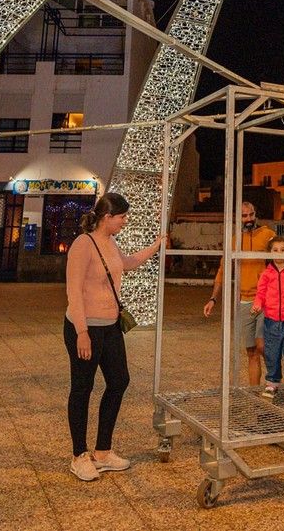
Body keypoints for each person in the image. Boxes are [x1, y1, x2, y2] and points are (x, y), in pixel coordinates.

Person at [63, 192, 166, 482]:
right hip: (85, 327)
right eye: (122, 217)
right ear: (107, 217)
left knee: (119, 380)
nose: (125, 221)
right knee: (82, 388)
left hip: (110, 327)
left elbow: (127, 263)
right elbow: (73, 292)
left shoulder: (110, 241)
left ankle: (103, 451)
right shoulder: (83, 245)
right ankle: (79, 455)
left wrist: (156, 246)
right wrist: (82, 332)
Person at [202, 201, 276, 386]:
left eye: (251, 215)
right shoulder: (234, 240)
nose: (249, 219)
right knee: (251, 351)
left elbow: (280, 260)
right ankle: (255, 394)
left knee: (262, 345)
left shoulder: (268, 235)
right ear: (238, 218)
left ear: (255, 214)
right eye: (244, 216)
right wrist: (213, 298)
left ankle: (274, 380)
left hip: (265, 299)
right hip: (245, 300)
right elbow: (223, 270)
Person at [250, 237, 284, 399]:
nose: (279, 253)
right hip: (271, 320)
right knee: (271, 352)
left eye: (283, 250)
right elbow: (260, 293)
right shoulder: (267, 273)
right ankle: (272, 382)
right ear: (270, 253)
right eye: (275, 250)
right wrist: (258, 304)